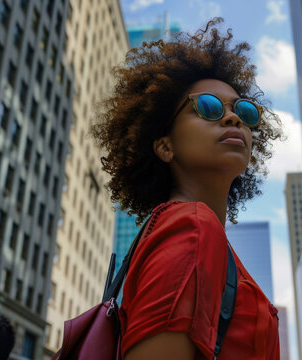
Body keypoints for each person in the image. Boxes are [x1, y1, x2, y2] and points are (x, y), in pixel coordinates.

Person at [92, 18, 282, 360]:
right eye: (208, 107)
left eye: (244, 111)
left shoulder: (192, 230)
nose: (233, 119)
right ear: (165, 146)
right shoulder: (192, 226)